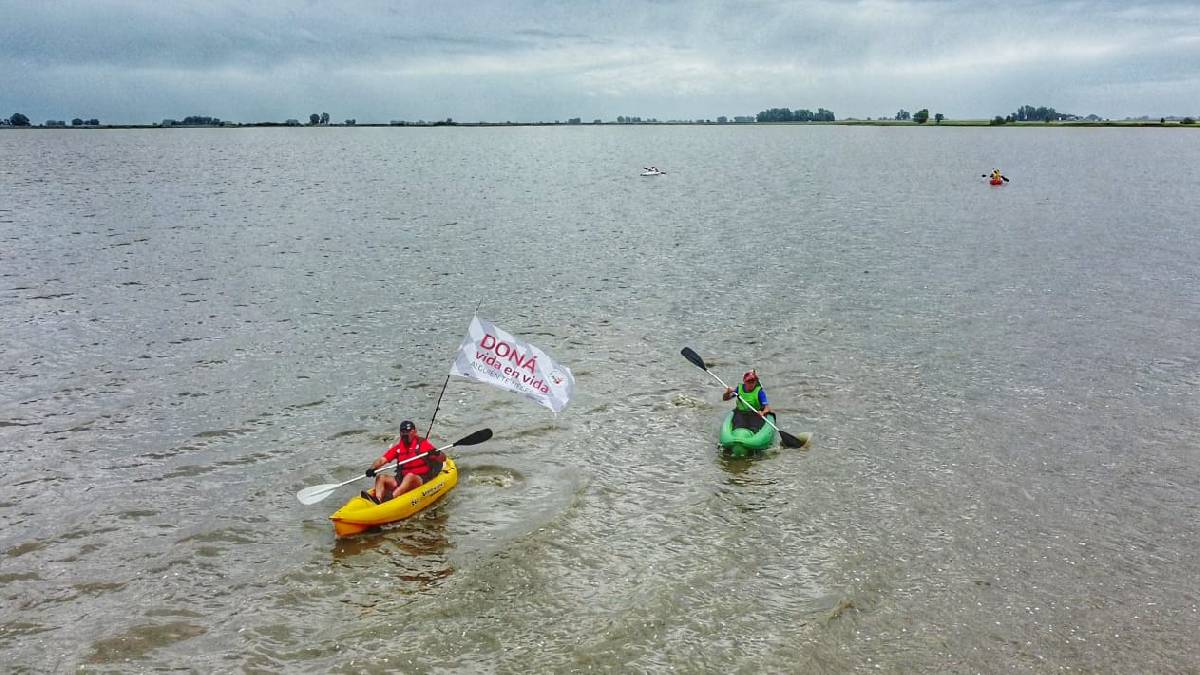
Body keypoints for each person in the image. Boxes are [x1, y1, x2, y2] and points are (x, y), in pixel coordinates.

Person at [363, 420, 445, 504]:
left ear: (414, 432)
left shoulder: (423, 444)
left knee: (409, 476)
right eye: (403, 431)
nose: (405, 434)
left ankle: (391, 498)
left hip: (419, 479)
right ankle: (378, 499)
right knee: (381, 477)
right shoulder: (398, 448)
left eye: (408, 431)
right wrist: (372, 468)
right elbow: (382, 460)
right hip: (402, 478)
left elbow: (443, 458)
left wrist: (437, 453)